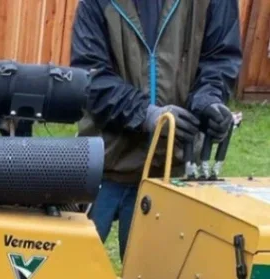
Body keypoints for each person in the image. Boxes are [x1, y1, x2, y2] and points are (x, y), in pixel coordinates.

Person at [71, 0, 242, 257]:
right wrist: (146, 115)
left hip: (173, 172)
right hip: (106, 162)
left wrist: (209, 101)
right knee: (71, 273)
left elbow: (219, 61)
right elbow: (91, 76)